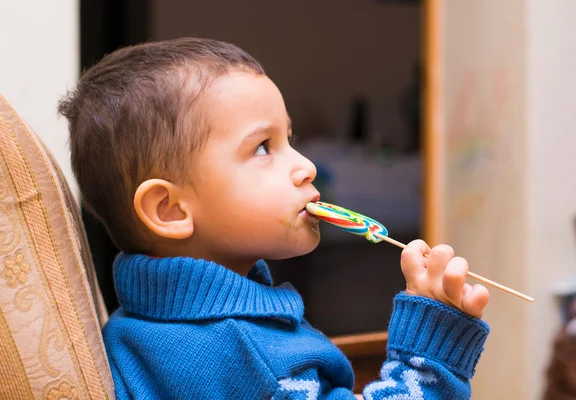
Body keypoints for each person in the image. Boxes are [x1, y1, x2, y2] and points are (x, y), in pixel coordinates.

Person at [59, 37, 490, 399]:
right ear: (169, 210)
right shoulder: (254, 358)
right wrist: (431, 349)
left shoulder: (136, 329)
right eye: (263, 147)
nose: (306, 166)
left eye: (291, 138)